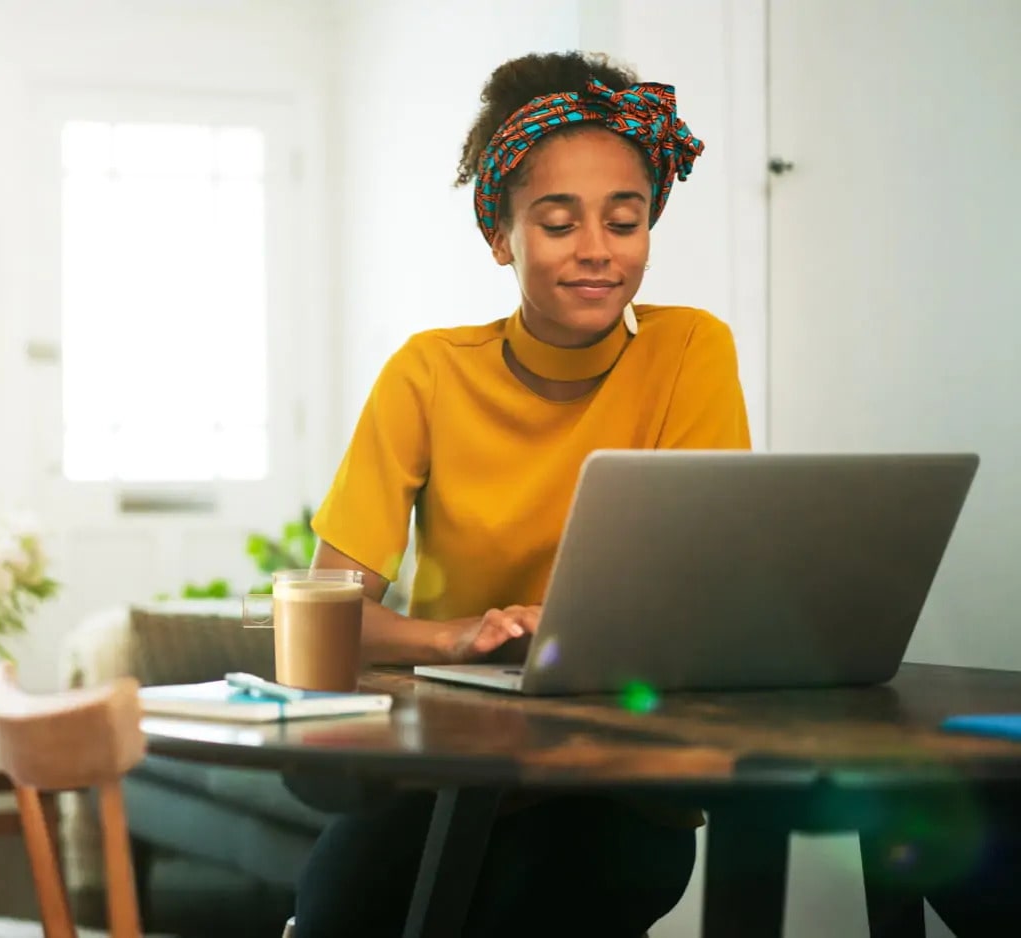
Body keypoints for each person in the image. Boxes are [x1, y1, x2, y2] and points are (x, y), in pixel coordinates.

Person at [292, 50, 750, 938]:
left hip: (617, 775)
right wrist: (456, 638)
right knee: (336, 916)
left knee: (525, 903)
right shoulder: (427, 373)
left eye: (626, 221)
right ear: (500, 236)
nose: (597, 251)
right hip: (445, 766)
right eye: (558, 222)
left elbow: (707, 600)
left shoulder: (691, 351)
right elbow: (329, 615)